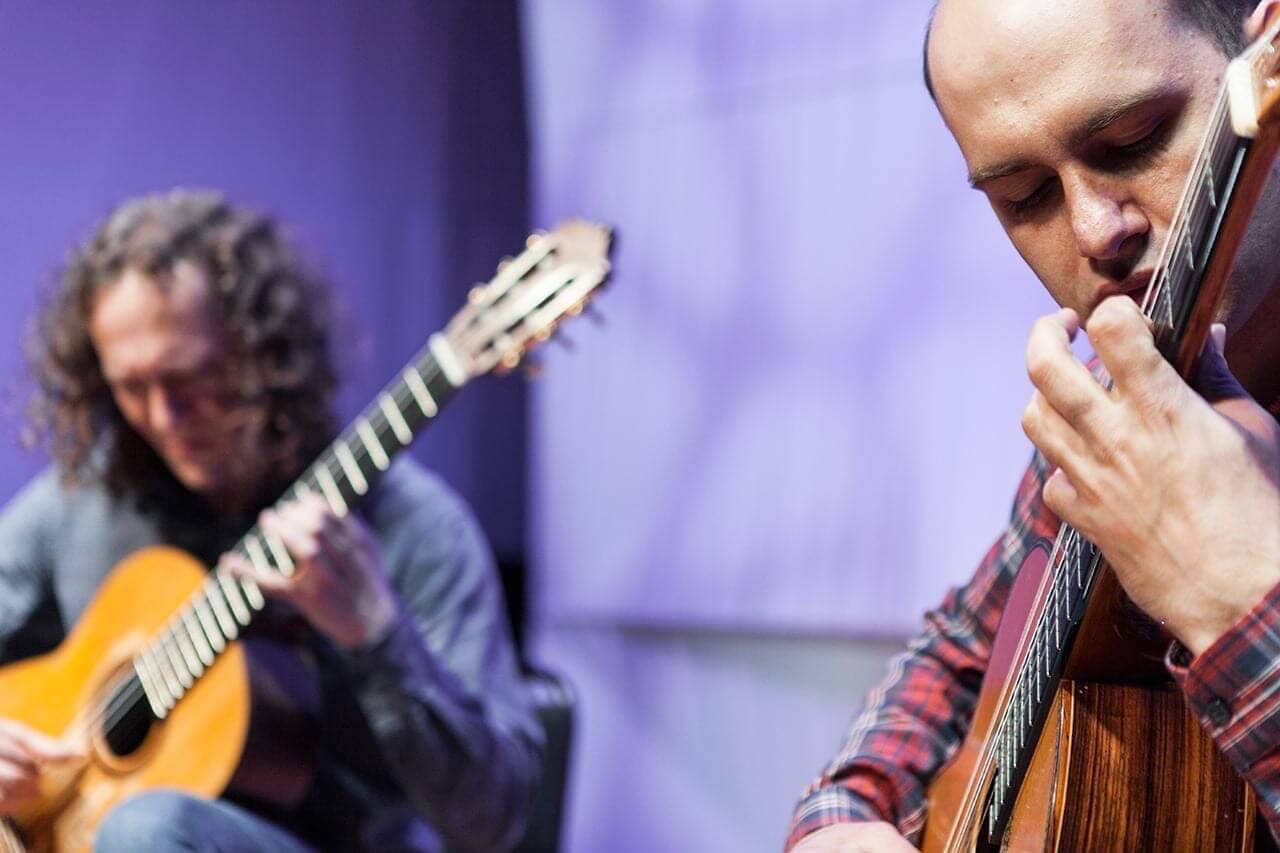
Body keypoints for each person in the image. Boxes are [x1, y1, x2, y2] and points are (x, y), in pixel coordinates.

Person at [787, 0, 1280, 849]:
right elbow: (963, 645)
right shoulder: (1118, 404)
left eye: (1135, 138)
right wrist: (840, 814)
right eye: (1025, 195)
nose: (1095, 232)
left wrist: (1240, 592)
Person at [0, 190, 542, 852]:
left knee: (146, 828)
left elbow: (498, 818)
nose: (165, 416)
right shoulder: (82, 503)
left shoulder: (413, 524)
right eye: (132, 387)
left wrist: (377, 633)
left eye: (193, 376)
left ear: (264, 353)